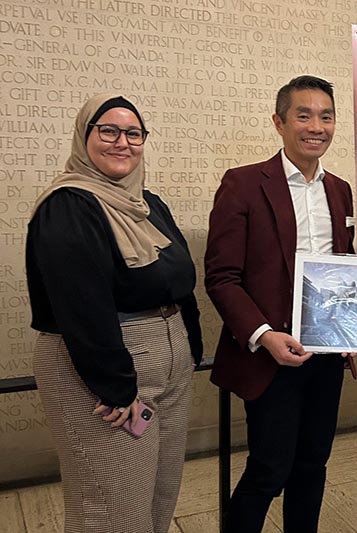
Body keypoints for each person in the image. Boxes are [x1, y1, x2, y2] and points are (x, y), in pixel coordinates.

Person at [27, 93, 203, 533]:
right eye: (108, 131)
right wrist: (117, 388)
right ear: (84, 136)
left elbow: (180, 283)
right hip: (106, 373)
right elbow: (81, 305)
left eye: (133, 133)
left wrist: (190, 353)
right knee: (111, 511)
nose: (122, 142)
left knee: (160, 498)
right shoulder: (68, 206)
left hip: (169, 364)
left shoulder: (149, 205)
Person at [205, 75, 355, 532]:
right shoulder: (244, 184)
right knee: (269, 468)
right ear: (279, 122)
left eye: (326, 116)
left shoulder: (340, 190)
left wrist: (356, 334)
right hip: (269, 353)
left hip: (325, 353)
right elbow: (222, 277)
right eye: (304, 115)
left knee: (313, 465)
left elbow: (345, 270)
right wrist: (264, 335)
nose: (317, 127)